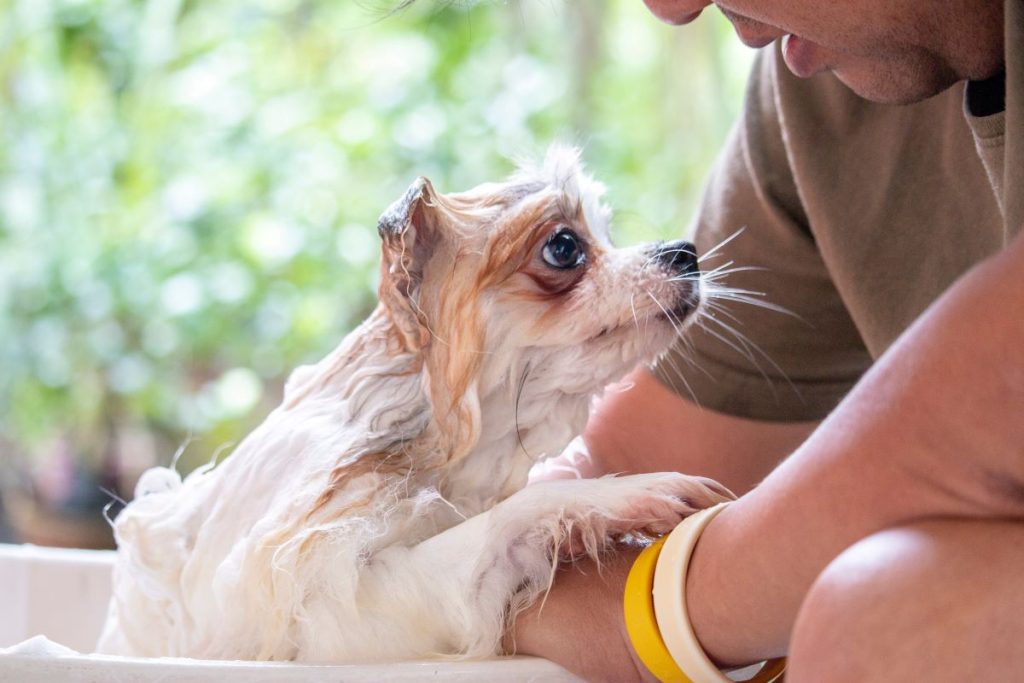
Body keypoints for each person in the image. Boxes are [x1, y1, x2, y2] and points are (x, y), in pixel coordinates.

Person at [505, 1, 1024, 682]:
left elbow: (1002, 379)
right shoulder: (824, 82)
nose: (672, 10)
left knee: (885, 624)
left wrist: (665, 607)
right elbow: (630, 459)